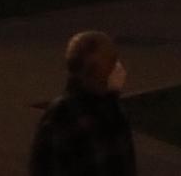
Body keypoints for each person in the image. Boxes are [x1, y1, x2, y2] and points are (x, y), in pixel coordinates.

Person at [28, 30, 134, 176]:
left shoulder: (111, 108)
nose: (119, 68)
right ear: (99, 72)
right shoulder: (62, 116)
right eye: (112, 62)